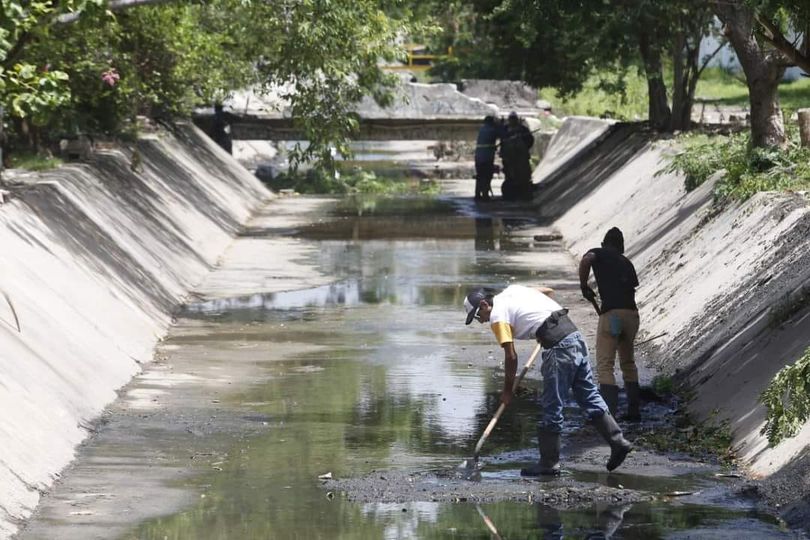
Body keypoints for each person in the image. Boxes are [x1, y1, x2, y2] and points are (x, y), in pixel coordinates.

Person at [464, 284, 632, 476]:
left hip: (558, 346)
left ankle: (548, 463)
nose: (482, 321)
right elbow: (547, 292)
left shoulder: (497, 316)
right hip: (573, 335)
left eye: (478, 316)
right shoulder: (513, 290)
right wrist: (540, 327)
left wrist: (508, 391)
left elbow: (511, 357)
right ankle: (618, 442)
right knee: (588, 395)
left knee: (552, 405)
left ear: (485, 304)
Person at [579, 227, 641, 421]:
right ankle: (634, 411)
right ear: (621, 246)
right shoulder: (627, 262)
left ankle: (609, 416)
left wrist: (583, 285)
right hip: (631, 316)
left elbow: (585, 260)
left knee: (605, 365)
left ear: (604, 243)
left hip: (612, 315)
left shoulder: (598, 252)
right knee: (628, 362)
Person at [499, 112, 534, 201]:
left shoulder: (523, 130)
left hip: (521, 157)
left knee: (523, 176)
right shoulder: (505, 129)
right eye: (511, 119)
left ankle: (523, 194)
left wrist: (524, 147)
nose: (512, 121)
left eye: (514, 119)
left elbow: (530, 140)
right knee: (510, 175)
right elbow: (502, 141)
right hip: (509, 158)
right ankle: (511, 194)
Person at [473, 115, 501, 201]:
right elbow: (503, 134)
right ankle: (485, 194)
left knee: (480, 175)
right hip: (487, 156)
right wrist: (500, 125)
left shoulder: (482, 129)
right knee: (487, 175)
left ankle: (477, 194)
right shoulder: (492, 130)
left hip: (478, 156)